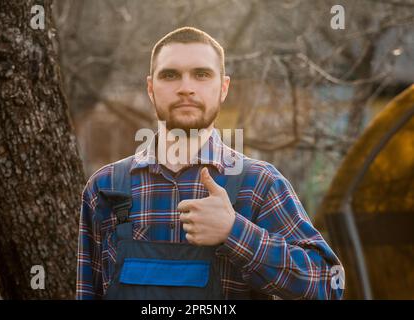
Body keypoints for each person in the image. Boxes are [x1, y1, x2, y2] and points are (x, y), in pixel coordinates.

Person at [76, 26, 344, 300]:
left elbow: (328, 285)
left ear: (223, 88)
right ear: (150, 88)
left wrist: (234, 231)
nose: (186, 88)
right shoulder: (105, 187)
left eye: (201, 74)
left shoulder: (259, 183)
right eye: (170, 75)